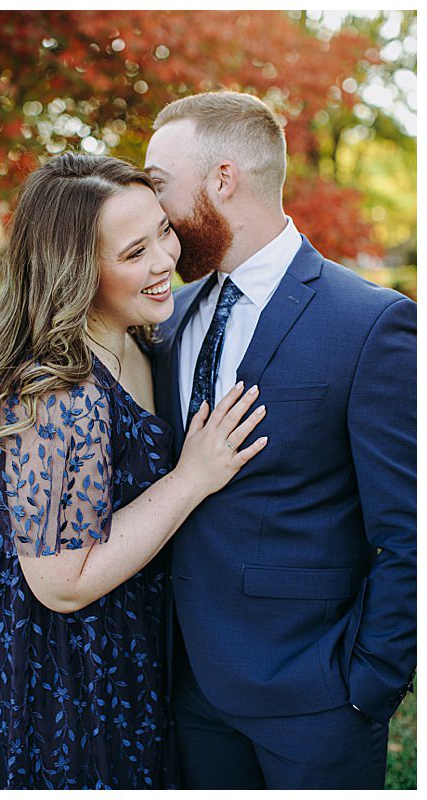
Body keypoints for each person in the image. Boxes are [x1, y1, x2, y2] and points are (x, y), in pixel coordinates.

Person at [0, 153, 269, 788]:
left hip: (118, 637)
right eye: (134, 252)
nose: (165, 260)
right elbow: (62, 583)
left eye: (163, 231)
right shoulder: (65, 392)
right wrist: (191, 478)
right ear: (77, 274)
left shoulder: (138, 336)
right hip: (51, 660)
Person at [143, 91, 415, 789]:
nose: (151, 208)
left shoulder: (372, 324)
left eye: (159, 184)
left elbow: (410, 533)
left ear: (222, 180)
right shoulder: (168, 321)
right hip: (186, 695)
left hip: (316, 703)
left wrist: (366, 686)